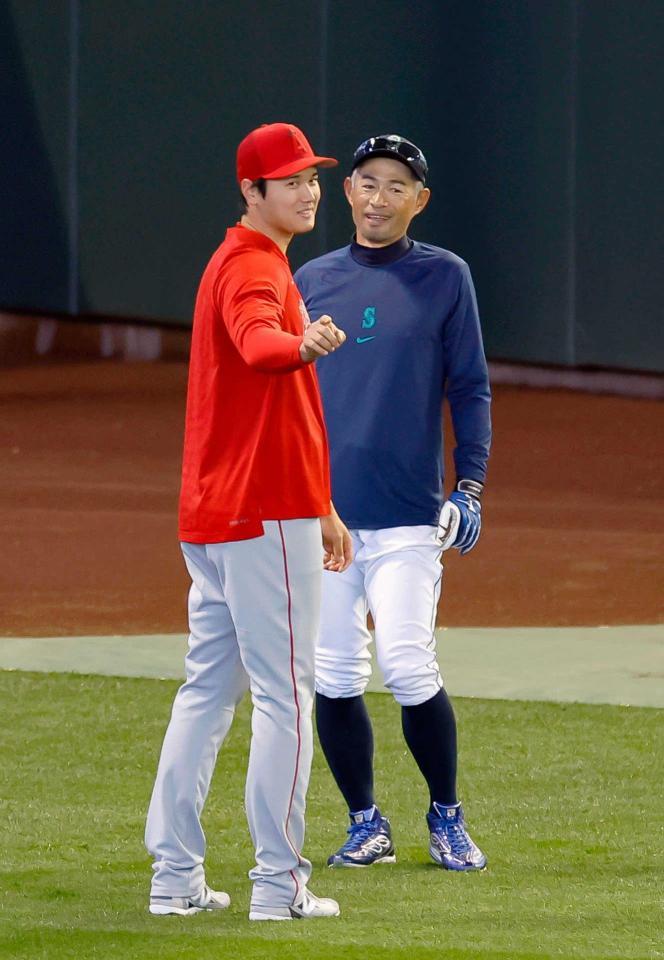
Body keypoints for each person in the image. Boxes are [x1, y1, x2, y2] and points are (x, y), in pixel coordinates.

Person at [145, 122, 353, 922]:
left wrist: (324, 506)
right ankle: (279, 885)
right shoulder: (251, 268)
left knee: (207, 694)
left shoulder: (247, 261)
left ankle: (175, 879)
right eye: (289, 179)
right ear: (251, 191)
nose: (306, 190)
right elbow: (261, 344)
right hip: (263, 516)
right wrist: (301, 343)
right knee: (287, 697)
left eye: (311, 177)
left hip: (222, 513)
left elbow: (272, 400)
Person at [294, 134, 492, 871]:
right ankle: (364, 823)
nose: (379, 198)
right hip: (324, 516)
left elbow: (469, 387)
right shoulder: (308, 277)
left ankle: (446, 815)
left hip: (410, 513)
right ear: (347, 190)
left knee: (409, 664)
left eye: (396, 186)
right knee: (338, 672)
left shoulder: (446, 277)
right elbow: (286, 395)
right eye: (368, 183)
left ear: (420, 200)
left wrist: (469, 485)